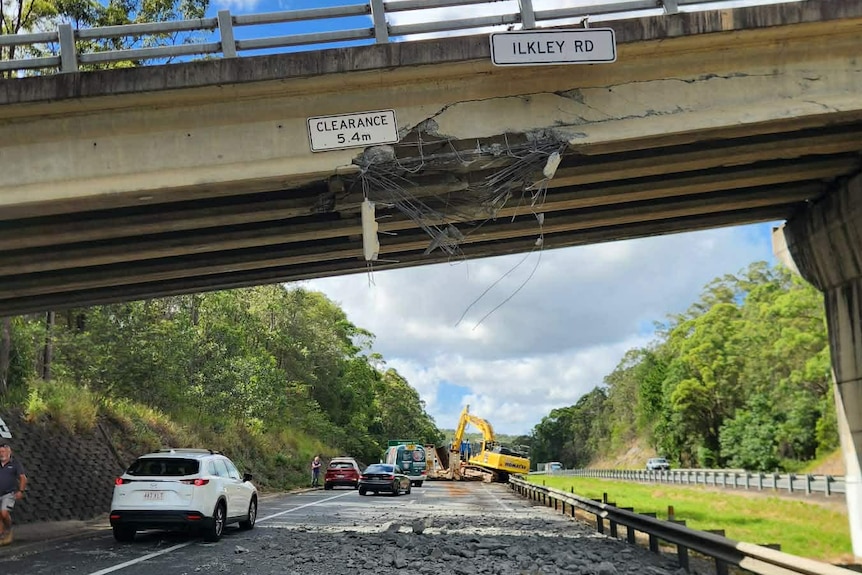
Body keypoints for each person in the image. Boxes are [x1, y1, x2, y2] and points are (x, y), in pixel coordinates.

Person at [0, 442, 27, 546]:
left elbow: (23, 478)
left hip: (9, 493)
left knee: (3, 512)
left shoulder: (15, 464)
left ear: (9, 452)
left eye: (3, 451)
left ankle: (9, 528)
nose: (1, 454)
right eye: (0, 452)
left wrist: (21, 491)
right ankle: (1, 534)